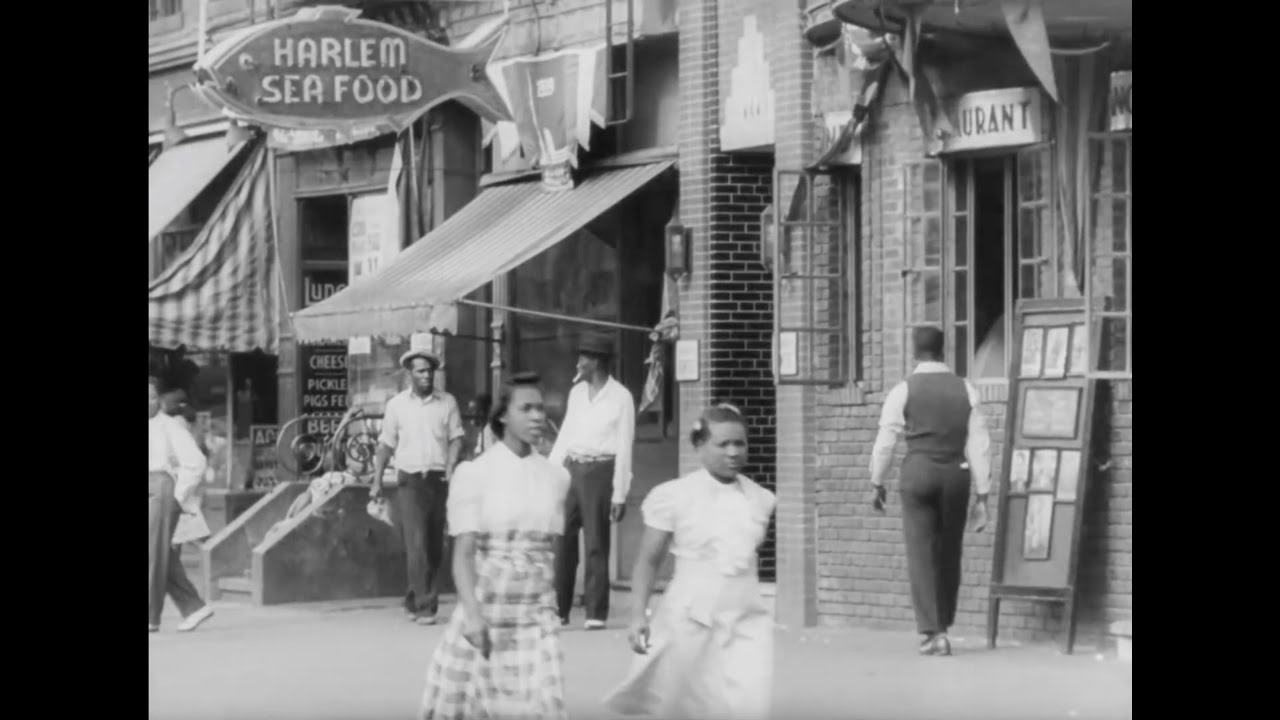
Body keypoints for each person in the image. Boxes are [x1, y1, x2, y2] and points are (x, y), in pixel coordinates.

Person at [603, 404, 776, 719]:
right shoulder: (674, 496)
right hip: (691, 616)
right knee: (690, 701)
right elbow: (648, 560)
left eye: (740, 443)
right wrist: (638, 615)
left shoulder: (760, 499)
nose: (733, 452)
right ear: (699, 446)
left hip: (745, 617)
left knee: (749, 698)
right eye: (723, 444)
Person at [419, 372, 571, 720]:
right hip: (487, 612)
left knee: (544, 703)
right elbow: (463, 554)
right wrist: (473, 616)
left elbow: (551, 551)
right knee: (475, 705)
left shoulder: (556, 477)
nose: (537, 416)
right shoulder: (476, 474)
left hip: (536, 617)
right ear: (503, 415)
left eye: (540, 409)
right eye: (526, 409)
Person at [868, 326, 993, 656]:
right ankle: (944, 626)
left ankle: (931, 632)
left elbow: (885, 442)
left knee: (921, 553)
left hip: (918, 474)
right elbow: (979, 444)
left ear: (914, 352)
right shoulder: (966, 389)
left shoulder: (903, 390)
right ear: (943, 350)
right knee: (949, 552)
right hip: (956, 475)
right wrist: (983, 495)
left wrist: (877, 482)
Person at [370, 349, 465, 626]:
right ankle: (426, 607)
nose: (426, 376)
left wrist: (451, 465)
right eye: (421, 371)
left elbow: (457, 437)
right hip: (410, 481)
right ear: (409, 374)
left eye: (430, 371)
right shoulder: (397, 405)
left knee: (434, 546)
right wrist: (376, 480)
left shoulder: (447, 402)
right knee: (417, 544)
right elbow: (386, 444)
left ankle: (413, 598)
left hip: (438, 479)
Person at [548, 334, 636, 630]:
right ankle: (558, 610)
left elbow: (624, 446)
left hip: (600, 471)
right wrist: (550, 473)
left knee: (596, 543)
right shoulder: (576, 393)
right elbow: (565, 435)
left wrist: (620, 493)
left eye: (583, 358)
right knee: (562, 539)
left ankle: (595, 613)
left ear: (596, 361)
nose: (578, 363)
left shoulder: (621, 397)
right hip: (572, 468)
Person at [149, 377, 215, 633]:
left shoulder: (170, 426)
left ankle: (151, 617)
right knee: (159, 554)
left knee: (153, 553)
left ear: (160, 400)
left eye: (153, 397)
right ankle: (193, 607)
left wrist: (178, 494)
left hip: (162, 488)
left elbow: (195, 462)